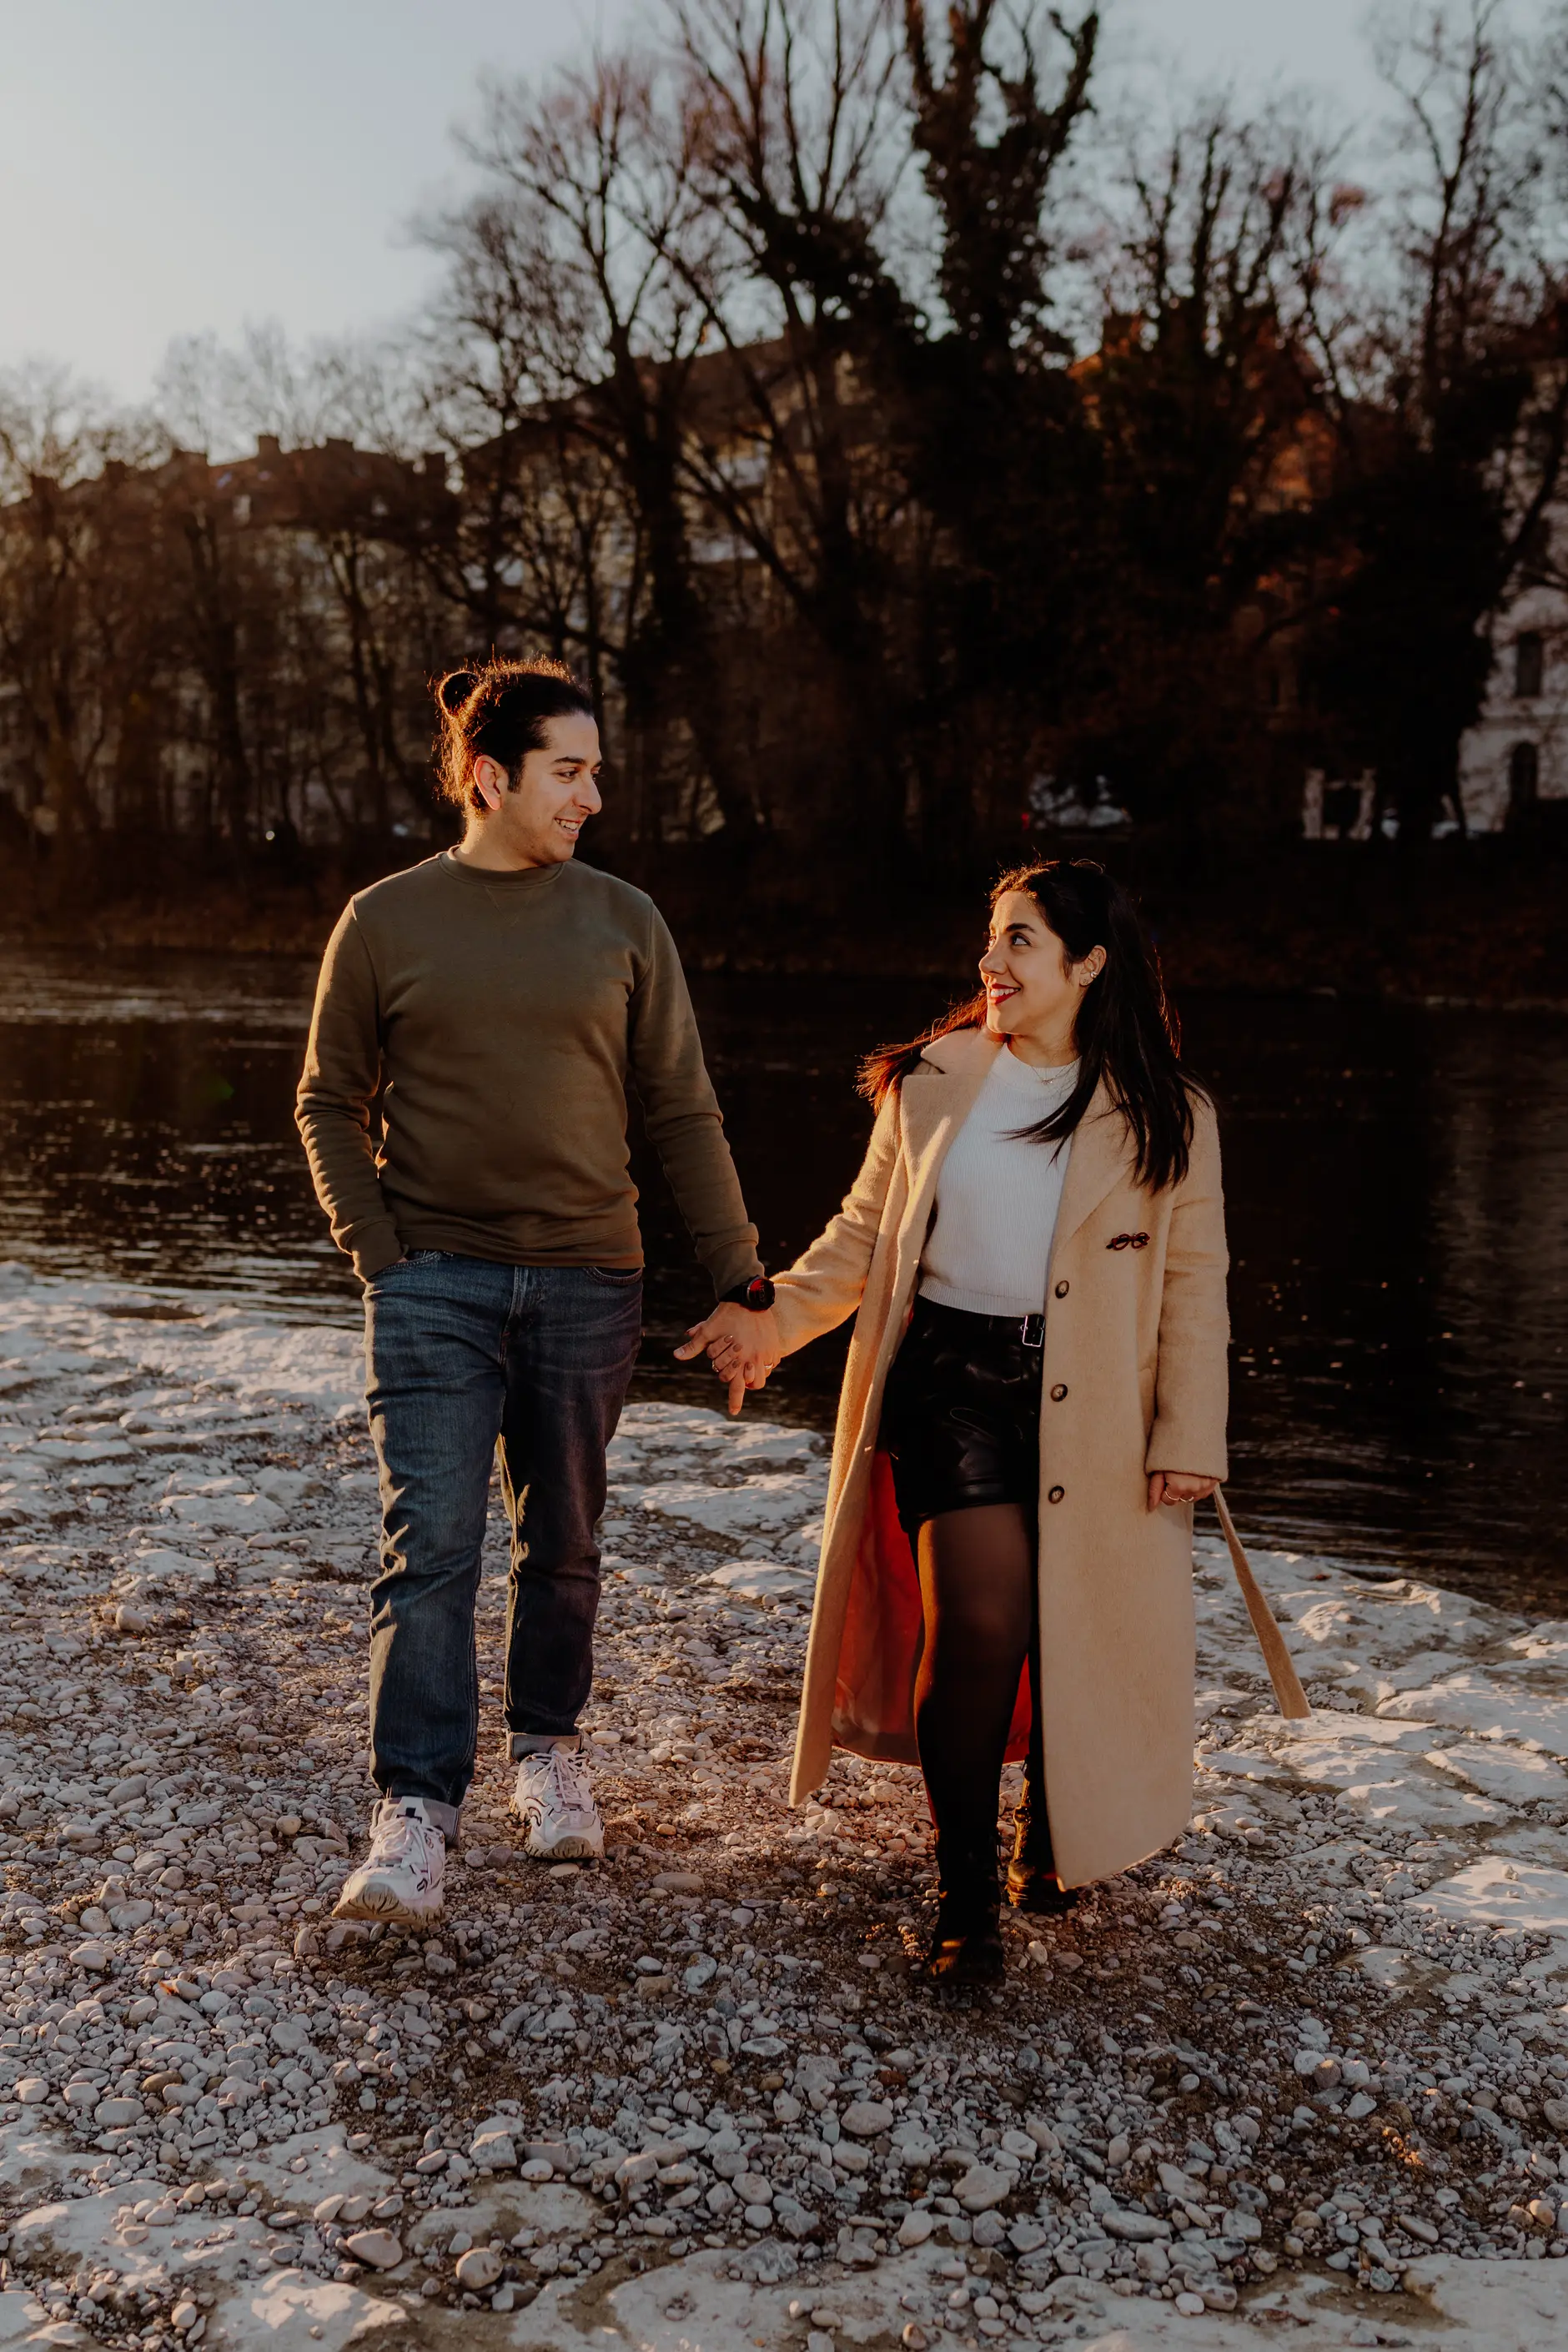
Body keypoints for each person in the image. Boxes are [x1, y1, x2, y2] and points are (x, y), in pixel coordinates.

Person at [679, 860, 1229, 1982]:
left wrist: (1190, 1437)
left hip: (1101, 1411)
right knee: (979, 1621)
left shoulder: (1172, 1116)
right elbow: (859, 1240)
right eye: (991, 939)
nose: (992, 963)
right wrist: (771, 1321)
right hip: (947, 1384)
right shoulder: (931, 1079)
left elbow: (1193, 1286)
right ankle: (965, 1888)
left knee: (1065, 1624)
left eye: (1021, 942)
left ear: (1088, 965)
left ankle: (1055, 1822)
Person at [296, 655, 773, 1926]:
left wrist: (742, 1275)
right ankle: (415, 1813)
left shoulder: (625, 921)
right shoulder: (385, 920)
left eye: (596, 772)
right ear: (491, 779)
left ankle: (549, 1749)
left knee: (562, 1539)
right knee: (433, 1545)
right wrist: (381, 1257)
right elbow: (327, 1103)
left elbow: (681, 1109)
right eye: (570, 772)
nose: (592, 796)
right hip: (433, 1282)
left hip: (588, 1281)